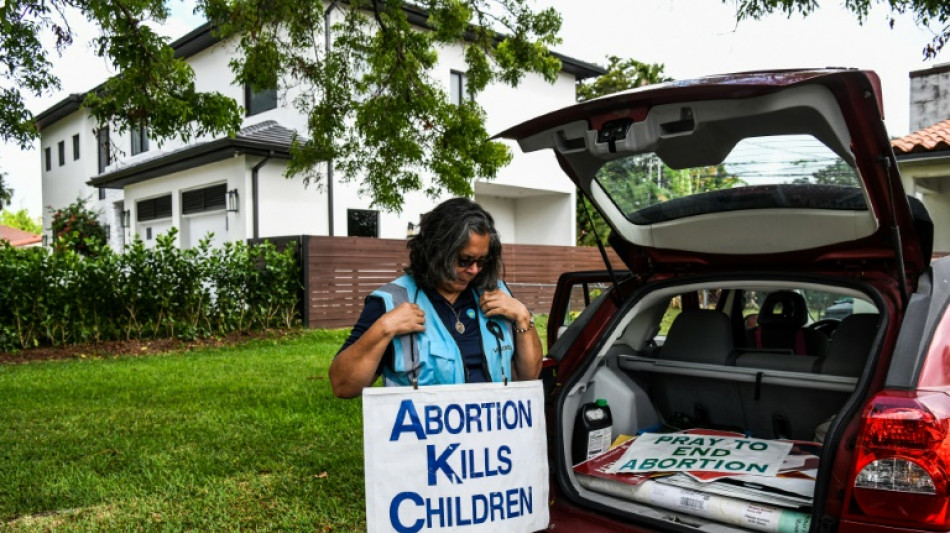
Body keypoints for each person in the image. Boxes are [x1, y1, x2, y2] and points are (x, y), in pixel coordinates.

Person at [330, 198, 543, 398]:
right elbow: (343, 386)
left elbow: (528, 377)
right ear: (436, 252)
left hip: (493, 434)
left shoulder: (496, 293)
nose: (474, 270)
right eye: (464, 260)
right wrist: (383, 328)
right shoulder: (391, 301)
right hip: (426, 436)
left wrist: (523, 318)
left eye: (482, 261)